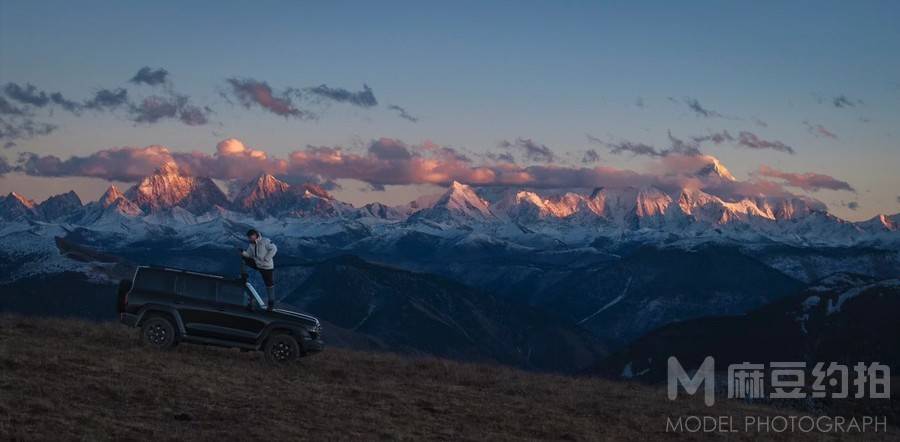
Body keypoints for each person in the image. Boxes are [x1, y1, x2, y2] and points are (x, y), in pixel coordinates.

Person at [240, 229, 278, 310]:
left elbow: (274, 248)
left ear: (256, 235)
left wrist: (267, 258)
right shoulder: (251, 245)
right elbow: (249, 255)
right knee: (244, 260)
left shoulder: (265, 241)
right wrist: (243, 253)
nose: (250, 238)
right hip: (257, 265)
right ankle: (244, 277)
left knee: (269, 285)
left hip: (266, 267)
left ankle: (271, 304)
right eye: (249, 237)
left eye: (251, 237)